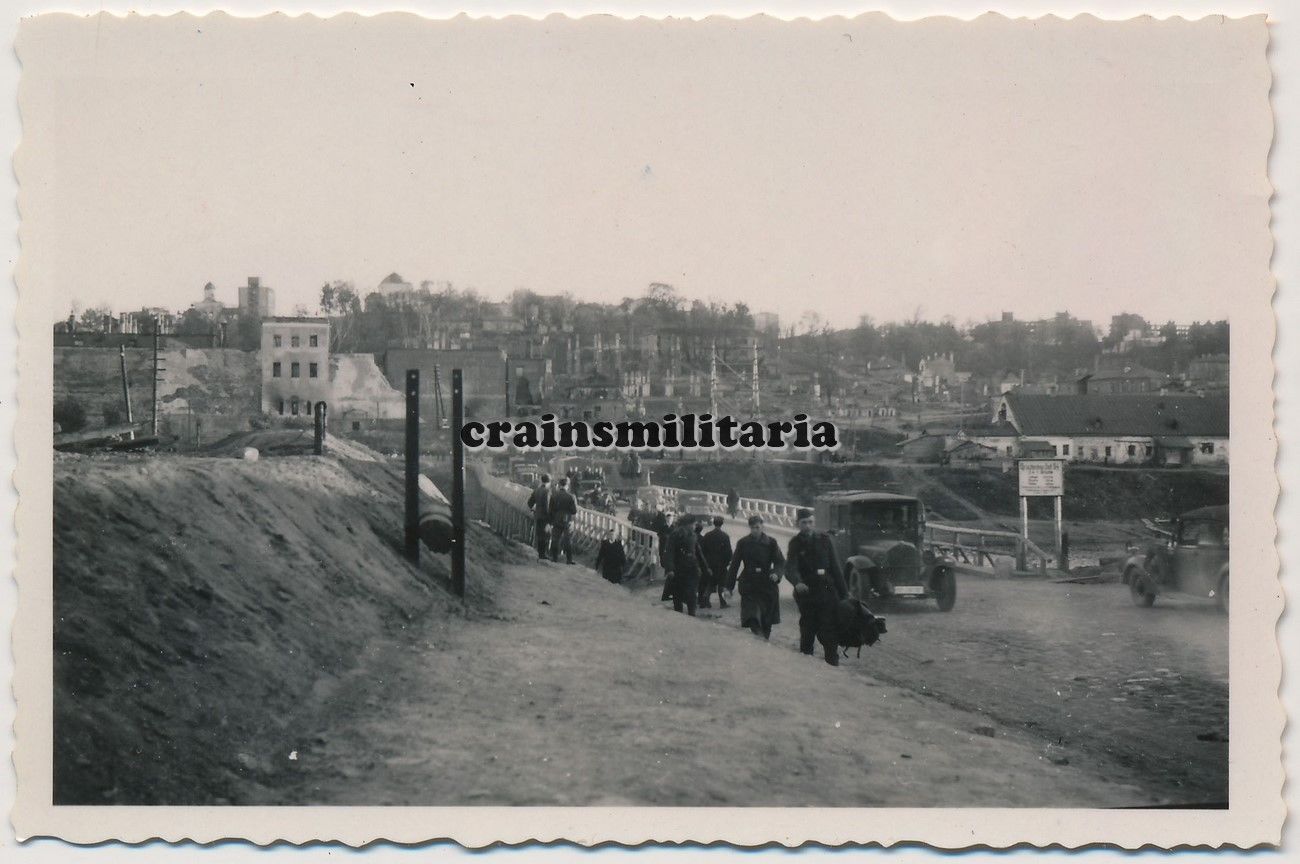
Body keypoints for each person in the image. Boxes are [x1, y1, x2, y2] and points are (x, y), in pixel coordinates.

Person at [786, 507, 848, 666]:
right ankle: (807, 667)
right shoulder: (795, 543)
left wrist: (845, 595)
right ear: (798, 524)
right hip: (807, 596)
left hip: (827, 594)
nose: (807, 525)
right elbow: (791, 568)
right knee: (807, 632)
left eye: (810, 522)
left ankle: (833, 665)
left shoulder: (825, 539)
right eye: (804, 522)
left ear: (814, 523)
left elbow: (836, 568)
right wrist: (797, 582)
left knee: (829, 633)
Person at [727, 515, 785, 639]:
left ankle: (763, 641)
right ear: (749, 528)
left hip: (767, 584)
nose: (755, 530)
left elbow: (780, 562)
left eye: (757, 527)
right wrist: (729, 587)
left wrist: (776, 573)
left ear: (762, 526)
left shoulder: (771, 542)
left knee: (766, 621)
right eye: (752, 528)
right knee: (753, 617)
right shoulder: (743, 543)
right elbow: (734, 565)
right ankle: (760, 639)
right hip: (749, 584)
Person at [665, 514, 711, 616]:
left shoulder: (692, 535)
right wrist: (670, 569)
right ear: (688, 524)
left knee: (692, 592)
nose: (695, 526)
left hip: (692, 567)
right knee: (678, 592)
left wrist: (705, 567)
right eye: (693, 524)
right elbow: (670, 552)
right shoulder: (675, 535)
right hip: (679, 568)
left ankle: (691, 613)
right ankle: (679, 613)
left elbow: (698, 552)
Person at [699, 515, 733, 610]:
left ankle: (705, 598)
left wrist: (706, 563)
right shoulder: (725, 536)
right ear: (722, 524)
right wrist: (728, 562)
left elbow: (703, 550)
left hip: (709, 563)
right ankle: (722, 602)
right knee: (721, 584)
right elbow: (728, 552)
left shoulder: (707, 535)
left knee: (711, 582)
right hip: (721, 564)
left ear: (714, 523)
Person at [549, 477, 578, 564]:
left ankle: (554, 558)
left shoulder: (554, 496)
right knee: (567, 540)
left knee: (555, 539)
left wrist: (552, 520)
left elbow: (551, 510)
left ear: (560, 485)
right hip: (566, 520)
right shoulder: (571, 497)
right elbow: (574, 511)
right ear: (567, 486)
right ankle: (569, 560)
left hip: (556, 519)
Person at [526, 474, 552, 562]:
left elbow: (529, 503)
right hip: (545, 517)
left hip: (538, 516)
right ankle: (543, 554)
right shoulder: (547, 491)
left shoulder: (536, 490)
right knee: (545, 535)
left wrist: (533, 510)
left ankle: (540, 554)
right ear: (549, 482)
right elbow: (547, 506)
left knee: (539, 534)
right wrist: (549, 520)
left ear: (541, 481)